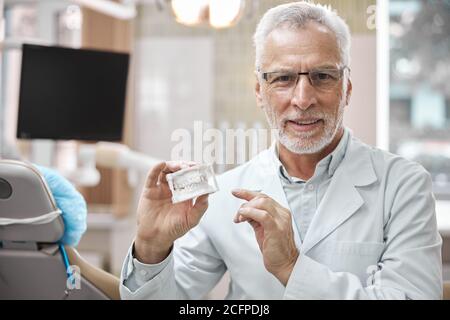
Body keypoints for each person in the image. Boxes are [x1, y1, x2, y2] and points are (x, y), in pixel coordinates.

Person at [119, 1, 442, 299]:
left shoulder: (403, 185)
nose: (303, 99)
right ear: (260, 91)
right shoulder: (223, 196)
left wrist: (291, 266)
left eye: (323, 76)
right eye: (283, 78)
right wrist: (151, 248)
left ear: (347, 89)